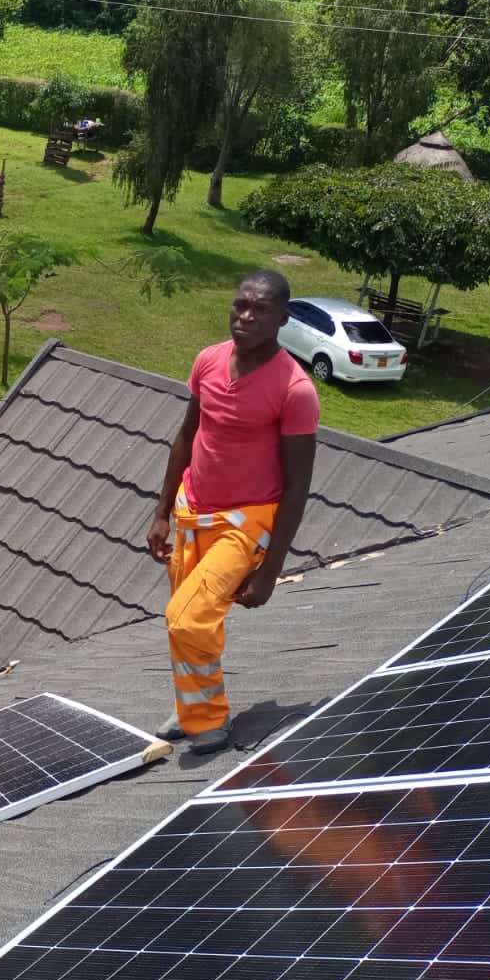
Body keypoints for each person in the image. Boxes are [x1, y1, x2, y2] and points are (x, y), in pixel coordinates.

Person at [145, 269, 318, 755]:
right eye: (240, 304)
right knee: (198, 622)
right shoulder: (208, 361)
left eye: (259, 309)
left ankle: (204, 719)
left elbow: (299, 484)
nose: (245, 316)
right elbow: (187, 437)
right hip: (191, 511)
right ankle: (194, 710)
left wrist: (271, 572)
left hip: (245, 524)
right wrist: (162, 511)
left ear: (282, 318)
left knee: (186, 618)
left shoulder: (294, 389)